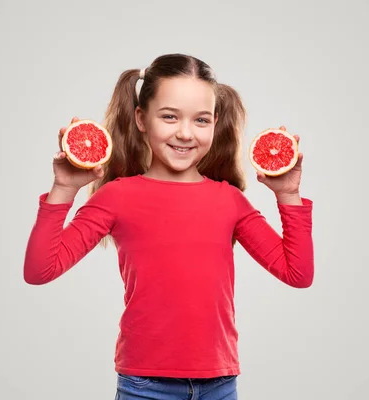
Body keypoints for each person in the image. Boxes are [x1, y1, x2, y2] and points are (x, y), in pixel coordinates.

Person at [23, 53, 314, 400]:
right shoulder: (117, 196)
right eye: (170, 117)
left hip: (219, 385)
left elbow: (297, 273)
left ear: (215, 122)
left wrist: (289, 195)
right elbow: (40, 269)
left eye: (201, 120)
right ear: (141, 118)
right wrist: (64, 189)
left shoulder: (229, 200)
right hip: (145, 386)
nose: (185, 133)